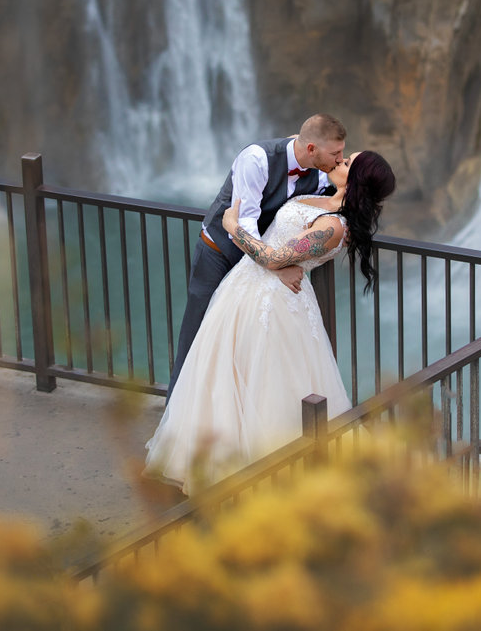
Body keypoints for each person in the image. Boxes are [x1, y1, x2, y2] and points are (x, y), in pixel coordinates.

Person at [144, 150, 396, 493]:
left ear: (357, 182)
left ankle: (262, 479)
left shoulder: (334, 226)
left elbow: (275, 256)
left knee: (267, 387)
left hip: (275, 306)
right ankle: (211, 463)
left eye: (347, 163)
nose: (339, 162)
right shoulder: (319, 195)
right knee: (222, 377)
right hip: (243, 291)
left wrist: (233, 227)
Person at [167, 114, 347, 391]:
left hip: (261, 264)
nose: (339, 158)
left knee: (245, 346)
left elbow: (337, 199)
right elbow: (243, 222)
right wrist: (277, 268)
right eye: (336, 153)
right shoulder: (257, 158)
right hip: (220, 253)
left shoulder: (322, 170)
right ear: (311, 149)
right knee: (198, 338)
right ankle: (177, 416)